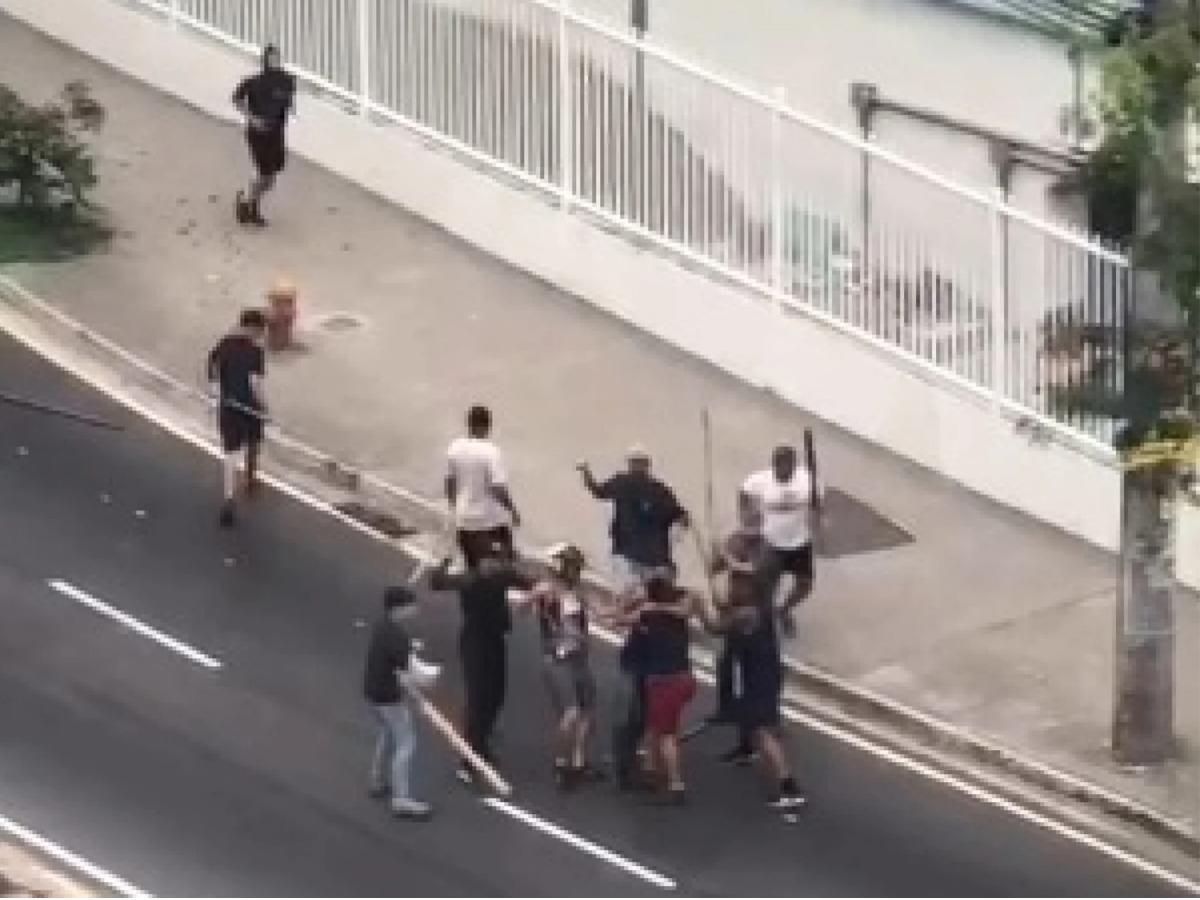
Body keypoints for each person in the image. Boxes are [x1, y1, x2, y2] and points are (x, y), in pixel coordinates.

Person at [429, 543, 532, 786]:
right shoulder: (470, 581)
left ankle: (481, 742)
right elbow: (438, 582)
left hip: (495, 640)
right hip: (474, 643)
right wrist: (443, 561)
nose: (494, 564)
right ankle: (468, 759)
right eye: (490, 560)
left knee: (496, 695)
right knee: (478, 700)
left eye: (498, 560)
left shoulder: (501, 576)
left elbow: (527, 581)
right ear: (481, 561)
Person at [513, 543, 601, 789]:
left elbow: (599, 613)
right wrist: (534, 599)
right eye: (572, 565)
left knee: (587, 710)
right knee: (571, 712)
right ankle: (561, 762)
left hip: (580, 658)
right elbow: (521, 607)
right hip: (558, 659)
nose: (576, 571)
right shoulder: (546, 589)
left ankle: (579, 761)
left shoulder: (578, 591)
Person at [613, 572, 697, 805]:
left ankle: (675, 783)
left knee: (666, 735)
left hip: (664, 682)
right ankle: (652, 768)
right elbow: (689, 602)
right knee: (658, 728)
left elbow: (619, 619)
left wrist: (625, 599)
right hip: (685, 678)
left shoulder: (648, 614)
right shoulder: (679, 612)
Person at [362, 586, 441, 820]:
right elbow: (415, 674)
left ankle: (376, 780)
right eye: (411, 605)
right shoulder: (398, 638)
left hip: (373, 692)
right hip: (389, 697)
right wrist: (431, 679)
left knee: (387, 734)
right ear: (401, 608)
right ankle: (401, 799)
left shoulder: (382, 627)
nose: (415, 609)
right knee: (406, 743)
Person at [577, 446, 688, 597]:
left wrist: (585, 471)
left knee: (629, 597)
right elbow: (682, 518)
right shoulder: (660, 489)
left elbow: (597, 491)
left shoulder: (623, 482)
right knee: (651, 598)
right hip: (654, 558)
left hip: (630, 555)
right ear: (647, 465)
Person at [738, 444, 824, 637]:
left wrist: (817, 518)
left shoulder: (808, 480)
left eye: (790, 467)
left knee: (805, 584)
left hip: (800, 541)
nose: (786, 471)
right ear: (774, 465)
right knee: (766, 585)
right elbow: (743, 493)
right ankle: (763, 620)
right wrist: (746, 518)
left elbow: (817, 503)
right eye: (781, 467)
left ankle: (784, 610)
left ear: (795, 465)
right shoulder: (760, 481)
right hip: (771, 543)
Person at [206, 309, 268, 527]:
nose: (261, 335)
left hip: (228, 407)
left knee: (230, 454)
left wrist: (215, 398)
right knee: (253, 441)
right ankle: (250, 479)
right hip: (248, 407)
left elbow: (212, 372)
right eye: (260, 331)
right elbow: (255, 383)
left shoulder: (222, 345)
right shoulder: (255, 352)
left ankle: (229, 497)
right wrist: (263, 407)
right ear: (253, 328)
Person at [446, 405, 520, 570]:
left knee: (472, 569)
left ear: (468, 424)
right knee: (504, 567)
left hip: (464, 519)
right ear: (487, 426)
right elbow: (498, 489)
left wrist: (453, 507)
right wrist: (513, 511)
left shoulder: (454, 447)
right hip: (489, 521)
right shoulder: (491, 452)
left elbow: (450, 481)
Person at [232, 43, 296, 227]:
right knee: (264, 173)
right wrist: (251, 118)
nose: (275, 61)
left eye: (277, 58)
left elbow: (288, 100)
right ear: (265, 61)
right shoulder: (254, 82)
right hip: (258, 133)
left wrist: (289, 107)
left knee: (271, 178)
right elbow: (236, 99)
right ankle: (246, 201)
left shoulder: (287, 81)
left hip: (276, 133)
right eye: (271, 58)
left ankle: (250, 203)